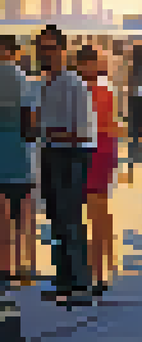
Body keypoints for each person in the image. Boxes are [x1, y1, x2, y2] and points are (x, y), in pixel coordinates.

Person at [37, 26, 96, 307]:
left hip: (71, 156)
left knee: (70, 220)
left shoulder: (74, 84)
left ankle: (81, 286)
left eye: (49, 48)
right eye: (41, 48)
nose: (44, 54)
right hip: (52, 154)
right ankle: (64, 283)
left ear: (61, 50)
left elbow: (83, 133)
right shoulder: (46, 83)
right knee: (56, 221)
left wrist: (47, 132)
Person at [78, 46, 122, 296]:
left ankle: (98, 272)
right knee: (100, 212)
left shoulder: (97, 91)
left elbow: (100, 124)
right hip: (103, 151)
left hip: (95, 151)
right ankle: (102, 269)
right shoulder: (104, 89)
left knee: (96, 213)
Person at [0, 35, 36, 291]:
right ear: (14, 52)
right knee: (20, 217)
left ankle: (3, 270)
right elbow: (30, 121)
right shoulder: (23, 80)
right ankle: (20, 268)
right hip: (20, 156)